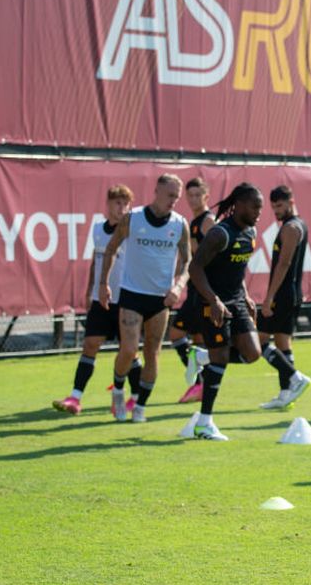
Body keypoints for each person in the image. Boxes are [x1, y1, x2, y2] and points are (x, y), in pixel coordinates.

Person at [99, 174, 191, 423]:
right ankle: (118, 390)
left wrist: (178, 286)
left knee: (152, 353)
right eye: (170, 195)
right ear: (157, 191)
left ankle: (140, 407)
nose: (174, 201)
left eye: (177, 197)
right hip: (131, 294)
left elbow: (187, 262)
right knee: (128, 350)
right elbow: (111, 249)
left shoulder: (180, 224)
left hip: (160, 300)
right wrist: (103, 284)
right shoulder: (133, 218)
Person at [187, 183, 265, 441]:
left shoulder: (251, 232)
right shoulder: (220, 233)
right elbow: (195, 269)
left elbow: (237, 269)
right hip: (212, 303)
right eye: (255, 206)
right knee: (220, 358)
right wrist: (213, 300)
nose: (259, 212)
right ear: (239, 204)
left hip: (236, 301)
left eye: (260, 208)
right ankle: (204, 424)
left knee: (253, 353)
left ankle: (202, 356)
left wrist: (245, 295)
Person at [53, 185, 140, 414]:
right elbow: (96, 260)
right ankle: (75, 398)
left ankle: (136, 398)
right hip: (101, 299)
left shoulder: (132, 232)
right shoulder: (97, 230)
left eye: (125, 204)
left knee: (129, 351)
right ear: (108, 204)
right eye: (117, 203)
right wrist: (91, 289)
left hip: (126, 299)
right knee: (90, 344)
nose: (121, 208)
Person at [258, 185, 311, 410]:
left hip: (283, 294)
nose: (276, 211)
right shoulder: (297, 225)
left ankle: (295, 377)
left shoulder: (291, 228)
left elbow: (284, 264)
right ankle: (285, 394)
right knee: (282, 343)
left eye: (279, 206)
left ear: (291, 201)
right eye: (273, 207)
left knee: (259, 341)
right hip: (290, 293)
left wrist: (269, 297)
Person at [169, 177, 215, 404]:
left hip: (203, 291)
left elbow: (217, 253)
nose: (194, 199)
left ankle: (200, 385)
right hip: (194, 290)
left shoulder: (207, 221)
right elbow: (187, 258)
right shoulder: (191, 221)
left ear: (207, 196)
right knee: (198, 341)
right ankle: (202, 387)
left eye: (199, 195)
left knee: (176, 335)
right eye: (191, 195)